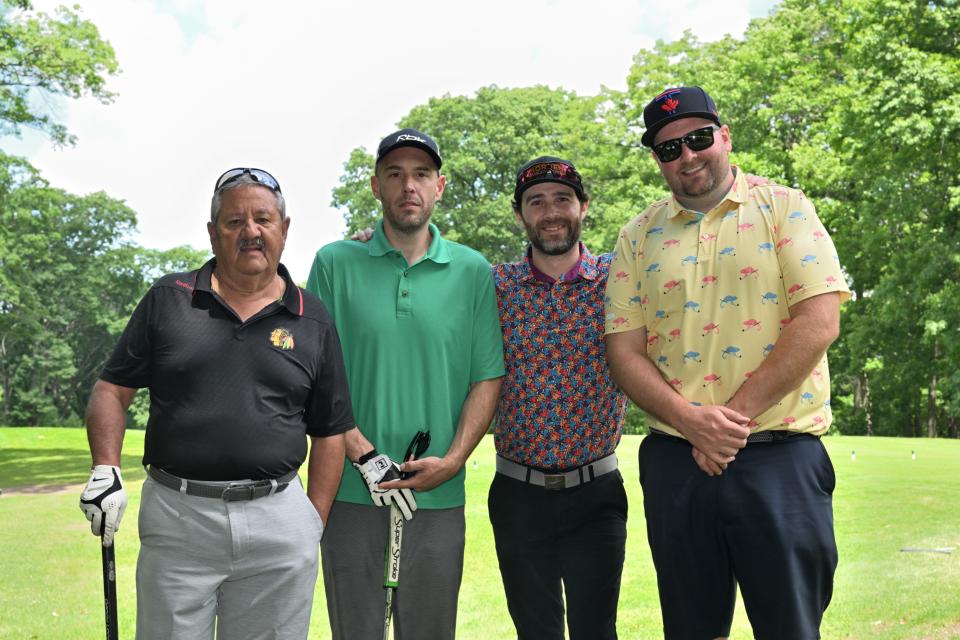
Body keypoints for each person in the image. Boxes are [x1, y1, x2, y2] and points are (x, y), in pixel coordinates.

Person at [604, 86, 850, 640]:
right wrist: (693, 424)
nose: (687, 156)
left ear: (724, 136)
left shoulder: (784, 206)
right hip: (677, 462)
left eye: (697, 139)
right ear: (657, 160)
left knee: (790, 628)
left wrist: (725, 426)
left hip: (779, 458)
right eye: (669, 149)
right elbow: (623, 352)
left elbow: (819, 320)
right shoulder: (636, 236)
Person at [79, 167, 353, 640]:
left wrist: (313, 521)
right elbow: (111, 390)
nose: (251, 232)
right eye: (234, 222)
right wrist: (106, 468)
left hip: (278, 520)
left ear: (284, 230)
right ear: (212, 233)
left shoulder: (313, 318)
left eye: (263, 220)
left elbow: (329, 430)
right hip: (178, 518)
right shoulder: (169, 299)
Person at [307, 128, 505, 640]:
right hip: (349, 491)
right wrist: (362, 453)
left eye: (421, 174)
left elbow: (487, 376)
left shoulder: (473, 270)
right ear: (375, 186)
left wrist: (454, 460)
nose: (408, 186)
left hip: (437, 493)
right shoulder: (334, 263)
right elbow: (317, 375)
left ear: (439, 186)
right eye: (395, 174)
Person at [489, 156, 629, 640]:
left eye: (562, 199)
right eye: (536, 202)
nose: (550, 211)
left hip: (597, 493)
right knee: (536, 632)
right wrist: (372, 244)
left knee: (597, 630)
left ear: (583, 207)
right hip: (517, 493)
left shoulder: (619, 278)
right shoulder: (492, 286)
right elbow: (426, 278)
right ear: (520, 214)